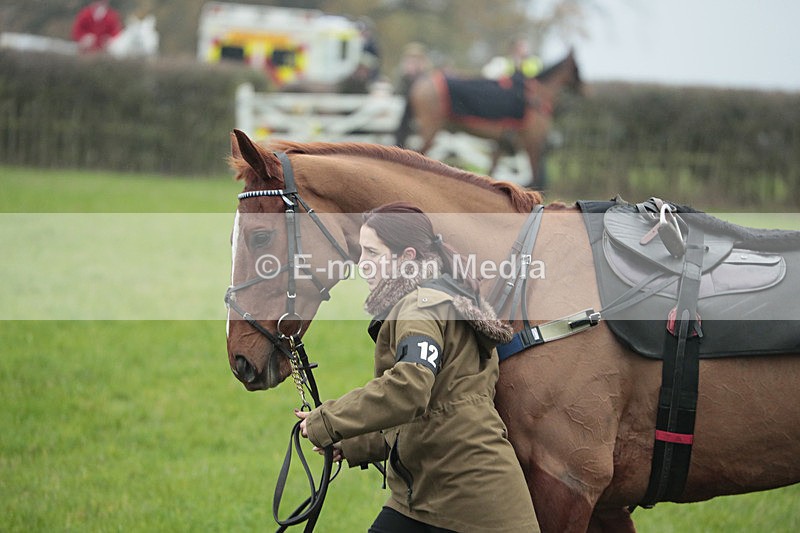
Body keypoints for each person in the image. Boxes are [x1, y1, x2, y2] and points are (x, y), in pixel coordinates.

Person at [295, 203, 539, 532]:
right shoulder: (438, 297)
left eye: (372, 253)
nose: (363, 265)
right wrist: (350, 443)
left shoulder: (420, 307)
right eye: (361, 253)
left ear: (407, 258)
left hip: (474, 505)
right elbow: (433, 412)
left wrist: (328, 419)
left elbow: (408, 390)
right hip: (423, 497)